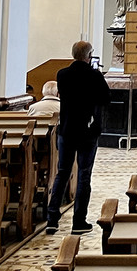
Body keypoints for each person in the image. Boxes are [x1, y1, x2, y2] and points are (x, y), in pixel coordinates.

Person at [46, 40, 111, 235]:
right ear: (89, 55)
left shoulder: (62, 74)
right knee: (84, 175)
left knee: (62, 173)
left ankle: (52, 219)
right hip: (87, 131)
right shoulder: (94, 75)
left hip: (66, 130)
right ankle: (79, 222)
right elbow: (106, 98)